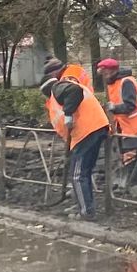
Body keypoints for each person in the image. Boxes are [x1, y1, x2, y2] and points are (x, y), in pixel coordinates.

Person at [40, 73, 110, 220]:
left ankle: (86, 212)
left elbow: (73, 92)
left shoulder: (58, 88)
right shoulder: (60, 94)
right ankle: (84, 206)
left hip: (86, 132)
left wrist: (68, 114)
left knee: (78, 175)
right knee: (84, 172)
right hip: (94, 129)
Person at [97, 58, 137, 182]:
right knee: (129, 156)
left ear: (112, 71)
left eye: (105, 73)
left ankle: (135, 182)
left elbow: (130, 106)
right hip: (126, 126)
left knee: (130, 156)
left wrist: (114, 108)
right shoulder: (112, 84)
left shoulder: (126, 82)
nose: (104, 76)